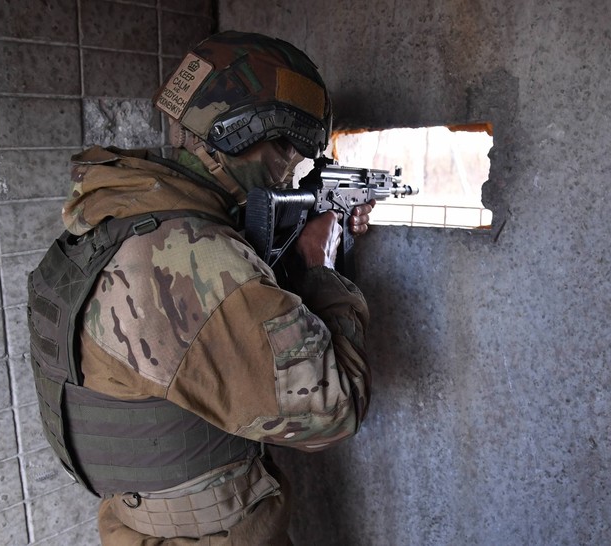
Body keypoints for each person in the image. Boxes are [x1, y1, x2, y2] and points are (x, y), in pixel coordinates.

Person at [27, 31, 374, 545]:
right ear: (246, 133)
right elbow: (333, 411)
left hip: (137, 525)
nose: (290, 171)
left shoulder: (118, 212)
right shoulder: (195, 259)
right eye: (288, 152)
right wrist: (322, 266)